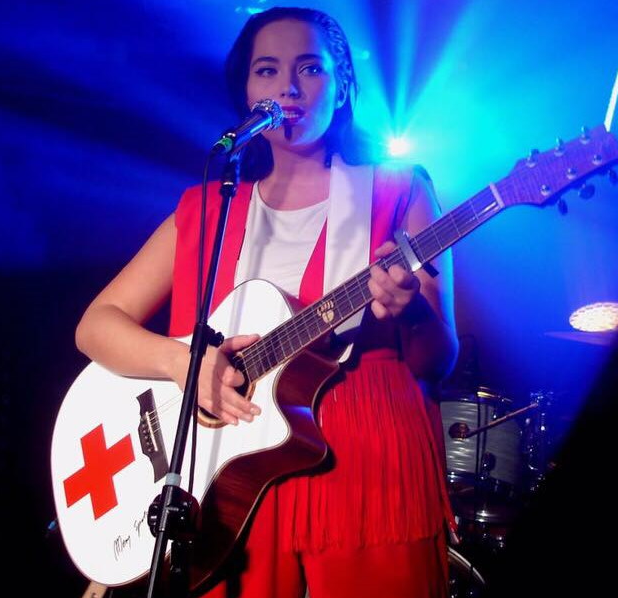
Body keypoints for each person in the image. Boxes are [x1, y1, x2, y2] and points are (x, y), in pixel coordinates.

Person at [75, 6, 460, 598]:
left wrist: (410, 310)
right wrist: (182, 362)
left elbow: (439, 360)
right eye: (267, 70)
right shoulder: (206, 208)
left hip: (366, 462)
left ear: (342, 86)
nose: (288, 87)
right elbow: (96, 326)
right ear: (247, 93)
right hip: (229, 470)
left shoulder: (398, 189)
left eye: (310, 68)